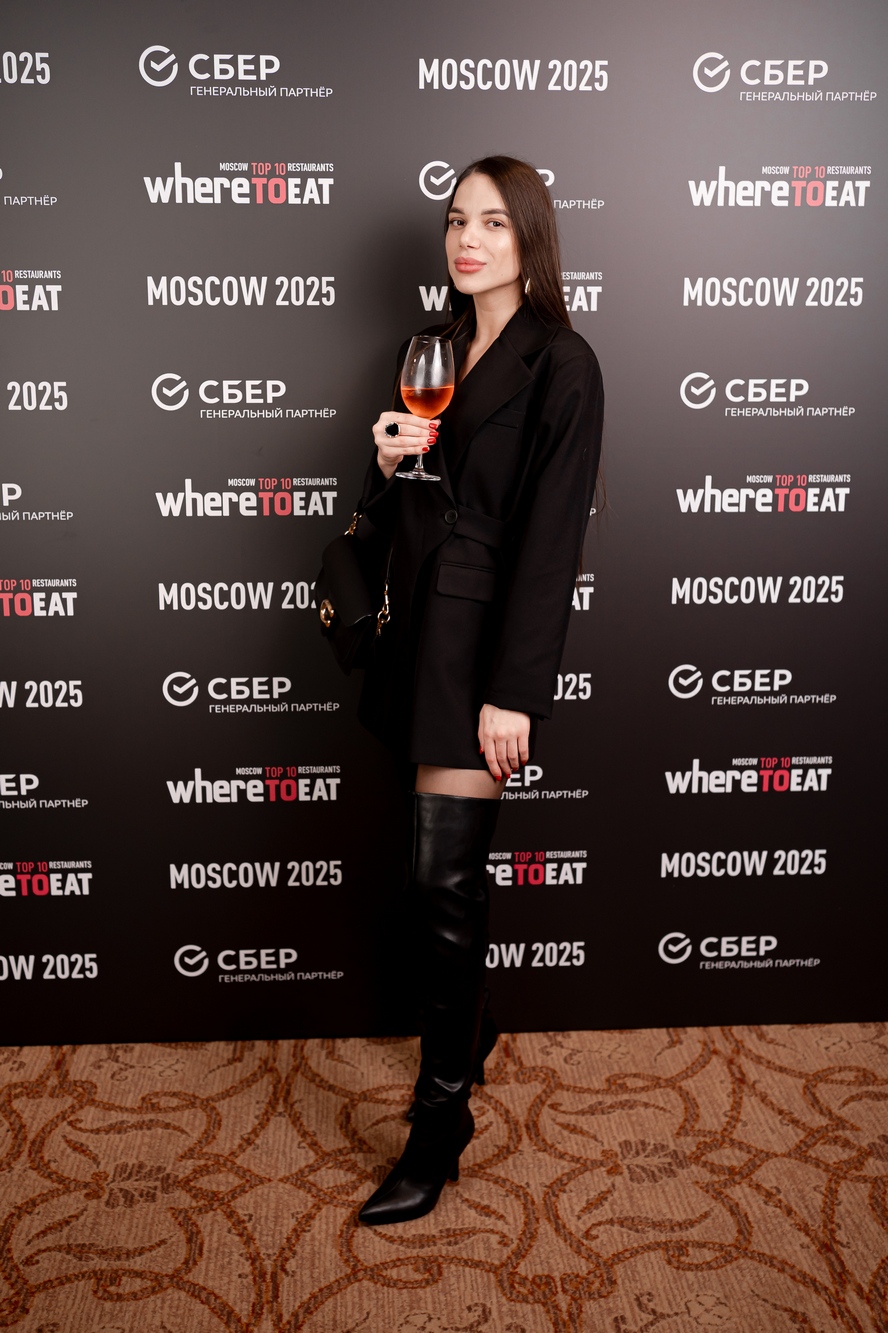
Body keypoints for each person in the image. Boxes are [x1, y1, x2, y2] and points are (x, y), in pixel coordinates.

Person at [354, 156, 603, 1225]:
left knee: (445, 887)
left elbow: (551, 542)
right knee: (429, 888)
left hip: (483, 651)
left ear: (530, 237)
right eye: (459, 219)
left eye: (494, 223)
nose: (469, 239)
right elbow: (401, 502)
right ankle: (474, 1025)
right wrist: (383, 458)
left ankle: (439, 1124)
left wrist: (516, 693)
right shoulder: (433, 346)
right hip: (416, 632)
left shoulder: (565, 362)